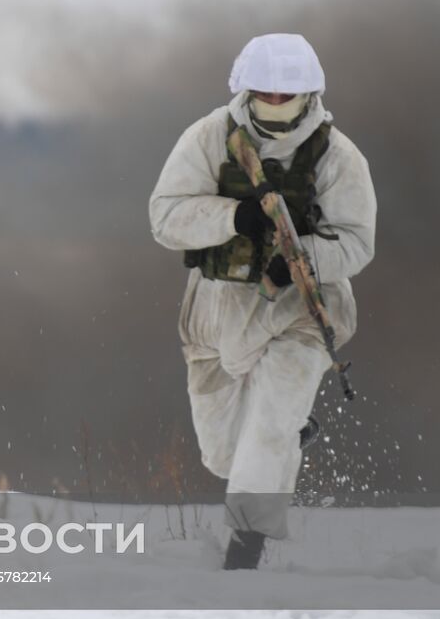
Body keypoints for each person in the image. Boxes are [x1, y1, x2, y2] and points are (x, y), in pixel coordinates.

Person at [148, 34, 376, 570]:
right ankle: (288, 439)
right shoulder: (209, 138)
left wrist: (304, 261)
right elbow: (165, 217)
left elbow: (358, 241)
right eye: (266, 94)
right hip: (216, 312)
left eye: (288, 94)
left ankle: (243, 554)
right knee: (224, 453)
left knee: (269, 427)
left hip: (300, 313)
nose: (277, 103)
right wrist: (233, 218)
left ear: (310, 93)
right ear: (246, 91)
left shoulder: (338, 156)